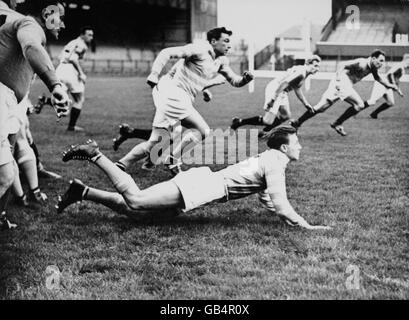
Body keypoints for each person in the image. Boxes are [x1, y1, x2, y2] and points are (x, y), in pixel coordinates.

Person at [56, 126, 331, 231]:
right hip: (205, 186)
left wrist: (281, 214)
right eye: (297, 143)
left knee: (141, 216)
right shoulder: (275, 162)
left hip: (206, 186)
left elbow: (268, 198)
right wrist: (306, 226)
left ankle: (81, 192)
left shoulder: (271, 160)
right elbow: (280, 202)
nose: (300, 147)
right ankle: (94, 155)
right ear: (284, 148)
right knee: (137, 201)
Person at [115, 27, 253, 175]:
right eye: (225, 41)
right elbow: (166, 53)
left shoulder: (221, 61)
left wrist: (245, 79)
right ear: (213, 41)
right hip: (174, 95)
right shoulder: (199, 49)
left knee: (158, 140)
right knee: (202, 130)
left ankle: (122, 164)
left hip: (179, 97)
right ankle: (172, 160)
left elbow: (234, 80)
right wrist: (154, 74)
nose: (229, 45)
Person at [0, 0, 69, 231]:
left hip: (8, 103)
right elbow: (30, 45)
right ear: (46, 13)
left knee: (7, 172)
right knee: (5, 173)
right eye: (59, 15)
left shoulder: (7, 16)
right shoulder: (29, 24)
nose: (62, 22)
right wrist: (56, 85)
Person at [290, 50, 400, 136]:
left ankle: (296, 123)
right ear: (373, 58)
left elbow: (379, 79)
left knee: (321, 108)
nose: (381, 63)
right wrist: (338, 80)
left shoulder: (372, 67)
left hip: (342, 84)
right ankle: (337, 123)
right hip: (342, 81)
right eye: (380, 60)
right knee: (359, 104)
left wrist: (391, 86)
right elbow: (342, 65)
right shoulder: (361, 63)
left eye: (383, 61)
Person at [230, 56, 321, 133]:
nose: (317, 69)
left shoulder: (303, 71)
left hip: (282, 91)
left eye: (318, 67)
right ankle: (239, 122)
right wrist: (273, 99)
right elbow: (284, 83)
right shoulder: (301, 73)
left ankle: (266, 132)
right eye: (315, 66)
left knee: (286, 116)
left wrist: (306, 104)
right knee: (268, 120)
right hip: (276, 89)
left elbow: (296, 88)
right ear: (308, 64)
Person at [367, 54, 408, 119]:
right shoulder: (400, 66)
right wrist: (394, 85)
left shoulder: (402, 68)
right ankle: (355, 109)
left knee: (391, 102)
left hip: (388, 85)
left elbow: (396, 79)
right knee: (372, 101)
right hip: (382, 83)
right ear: (407, 59)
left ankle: (374, 114)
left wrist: (398, 90)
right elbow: (390, 74)